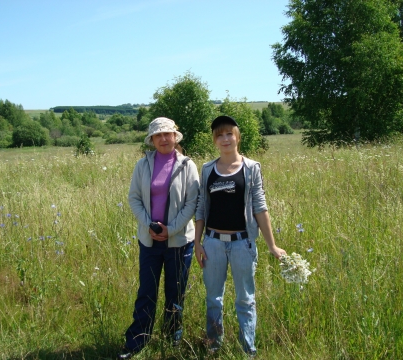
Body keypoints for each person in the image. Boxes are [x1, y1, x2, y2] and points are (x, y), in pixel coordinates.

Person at [194, 115, 286, 356]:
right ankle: (214, 345)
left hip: (242, 244)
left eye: (229, 134)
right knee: (214, 298)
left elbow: (260, 207)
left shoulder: (251, 168)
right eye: (219, 135)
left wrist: (272, 246)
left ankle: (248, 348)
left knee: (246, 299)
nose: (225, 139)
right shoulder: (206, 170)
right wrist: (197, 243)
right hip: (212, 243)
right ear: (214, 140)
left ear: (237, 137)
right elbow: (201, 207)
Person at [118, 117, 200, 359]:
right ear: (152, 140)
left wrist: (171, 229)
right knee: (147, 291)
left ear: (175, 137)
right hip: (150, 241)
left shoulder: (187, 166)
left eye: (168, 134)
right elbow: (134, 198)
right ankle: (137, 342)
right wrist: (149, 225)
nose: (164, 139)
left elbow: (192, 202)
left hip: (179, 242)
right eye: (158, 135)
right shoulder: (142, 165)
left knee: (175, 292)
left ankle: (171, 339)